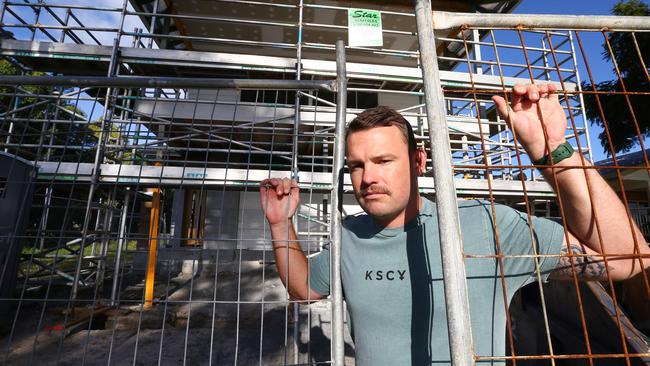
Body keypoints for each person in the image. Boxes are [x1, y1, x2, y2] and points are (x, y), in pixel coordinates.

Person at [259, 83, 650, 365]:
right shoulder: (352, 235)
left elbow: (627, 259)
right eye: (358, 165)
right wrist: (281, 224)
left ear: (418, 162)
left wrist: (553, 152)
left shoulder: (485, 224)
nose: (367, 178)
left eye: (383, 161)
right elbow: (304, 287)